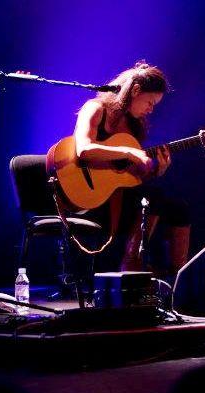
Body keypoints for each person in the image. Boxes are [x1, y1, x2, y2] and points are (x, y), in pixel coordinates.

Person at [74, 61, 191, 276]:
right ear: (135, 91)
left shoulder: (134, 126)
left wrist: (157, 170)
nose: (151, 109)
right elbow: (83, 149)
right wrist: (128, 153)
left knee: (179, 208)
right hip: (88, 195)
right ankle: (131, 264)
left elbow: (129, 176)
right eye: (149, 102)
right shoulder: (96, 108)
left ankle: (178, 278)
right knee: (154, 196)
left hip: (118, 195)